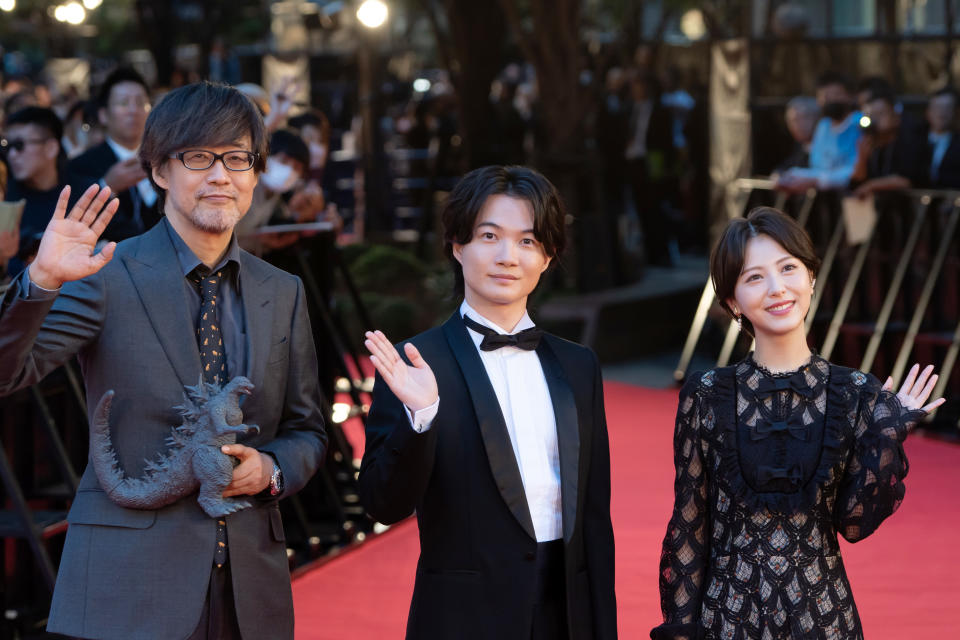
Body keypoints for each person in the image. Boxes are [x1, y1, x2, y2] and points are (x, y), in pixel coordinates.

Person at [0, 81, 327, 640]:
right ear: (158, 171)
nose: (220, 175)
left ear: (254, 174)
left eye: (238, 158)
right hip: (128, 585)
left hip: (249, 591)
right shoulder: (105, 273)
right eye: (198, 157)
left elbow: (306, 430)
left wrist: (270, 470)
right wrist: (41, 279)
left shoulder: (284, 290)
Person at [651, 207, 943, 640]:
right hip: (728, 622)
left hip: (823, 619)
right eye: (754, 277)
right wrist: (681, 629)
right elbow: (690, 523)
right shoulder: (707, 393)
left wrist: (887, 432)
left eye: (788, 268)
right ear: (733, 302)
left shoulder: (856, 392)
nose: (777, 288)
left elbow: (853, 524)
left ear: (809, 277)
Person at [359, 165, 617, 639]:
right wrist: (421, 417)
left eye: (527, 241)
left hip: (567, 613)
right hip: (464, 618)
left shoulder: (579, 366)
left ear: (548, 255)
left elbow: (595, 521)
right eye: (489, 236)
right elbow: (383, 502)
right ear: (458, 246)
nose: (507, 257)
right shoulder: (417, 362)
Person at [68, 67, 161, 240]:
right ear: (103, 115)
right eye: (123, 103)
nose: (133, 110)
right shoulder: (81, 166)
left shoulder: (167, 160)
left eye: (141, 103)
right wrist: (107, 186)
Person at [3, 106, 96, 268]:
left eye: (19, 145)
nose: (12, 154)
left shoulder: (86, 193)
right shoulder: (4, 199)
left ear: (51, 148)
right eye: (7, 146)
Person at [776, 72, 861, 192]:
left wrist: (817, 180)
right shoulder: (823, 126)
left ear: (850, 97)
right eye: (824, 96)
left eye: (836, 94)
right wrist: (790, 175)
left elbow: (856, 171)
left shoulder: (860, 124)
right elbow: (818, 166)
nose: (830, 100)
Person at [850, 89, 927, 199]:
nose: (875, 119)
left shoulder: (909, 141)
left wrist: (871, 185)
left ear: (895, 117)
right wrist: (862, 157)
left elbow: (906, 180)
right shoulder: (869, 144)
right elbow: (857, 181)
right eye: (870, 115)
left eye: (881, 113)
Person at [924, 86, 960, 188]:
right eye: (937, 107)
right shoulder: (914, 141)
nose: (941, 113)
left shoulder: (957, 144)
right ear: (928, 111)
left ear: (956, 112)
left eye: (947, 108)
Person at [775, 96, 819, 173]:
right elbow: (788, 164)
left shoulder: (826, 145)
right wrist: (778, 173)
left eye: (804, 118)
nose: (797, 125)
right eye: (792, 120)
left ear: (816, 118)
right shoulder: (800, 145)